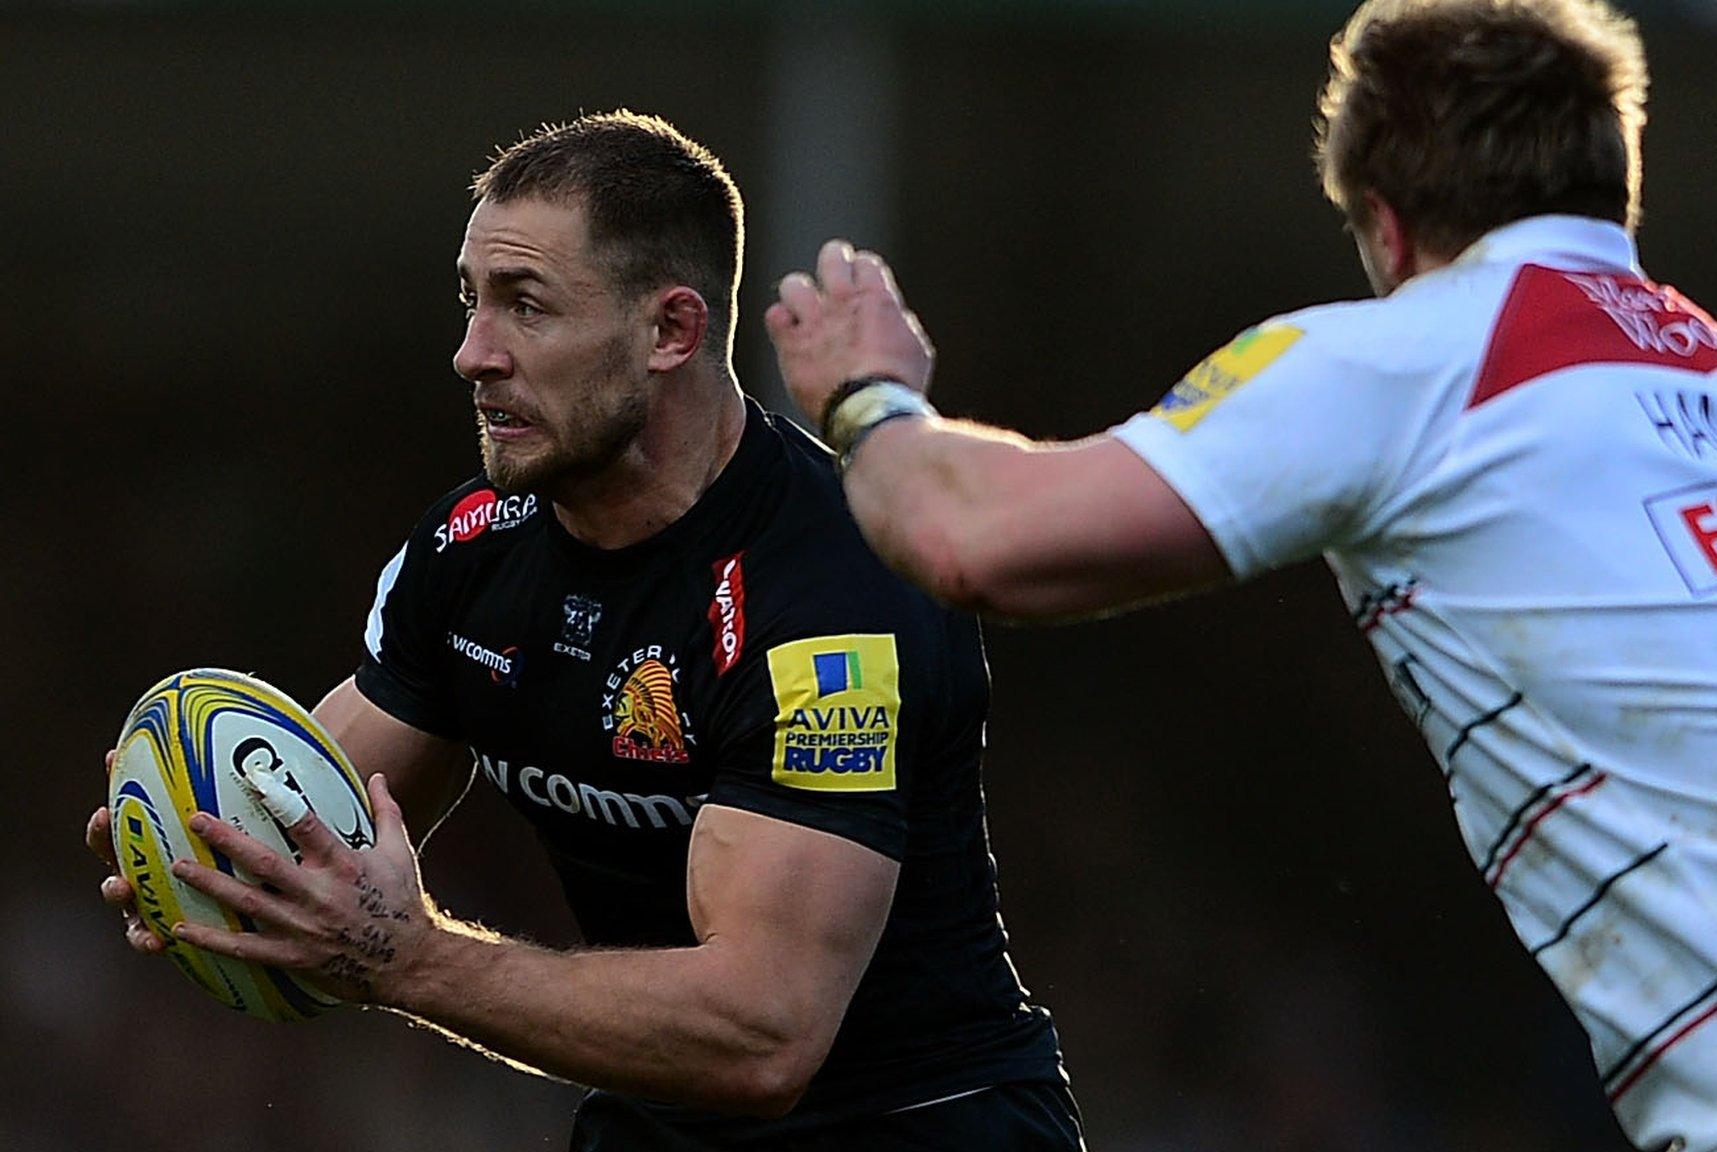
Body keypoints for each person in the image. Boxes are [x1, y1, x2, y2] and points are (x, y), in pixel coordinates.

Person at [761, 2, 1717, 1149]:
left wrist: (870, 396)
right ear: (1612, 191)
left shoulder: (1405, 358)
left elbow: (971, 540)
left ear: (1384, 223)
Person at [87, 110, 1084, 1152]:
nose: (474, 353)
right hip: (661, 1122)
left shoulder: (833, 591)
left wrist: (412, 958)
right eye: (470, 301)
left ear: (670, 332)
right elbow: (322, 843)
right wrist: (203, 851)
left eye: (525, 305)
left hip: (919, 1126)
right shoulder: (469, 553)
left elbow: (765, 1036)